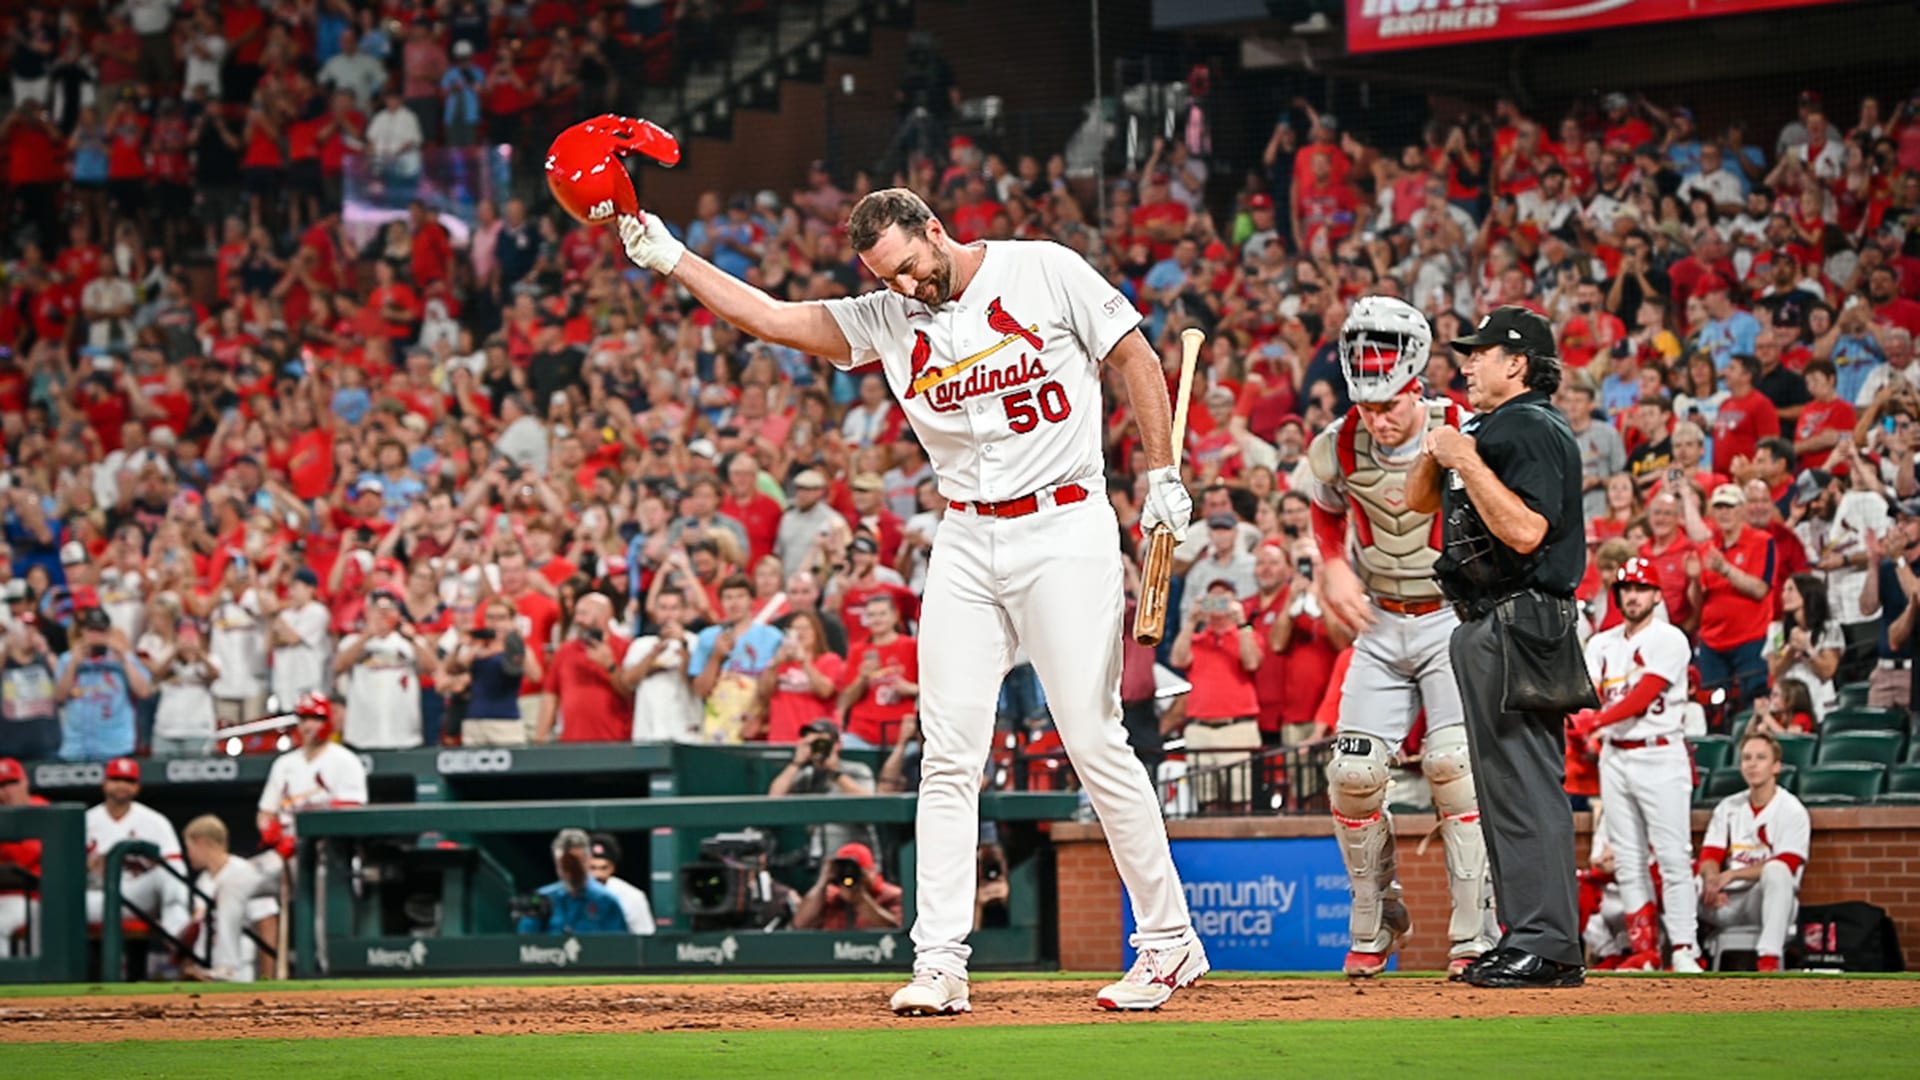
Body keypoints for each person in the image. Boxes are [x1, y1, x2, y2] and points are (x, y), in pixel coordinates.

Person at [619, 187, 1205, 1013]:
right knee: (947, 756)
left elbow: (1137, 357)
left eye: (907, 267)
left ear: (937, 231)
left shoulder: (1042, 269)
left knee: (1094, 740)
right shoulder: (888, 314)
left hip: (1064, 524)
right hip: (964, 538)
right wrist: (670, 256)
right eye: (882, 276)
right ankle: (940, 961)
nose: (902, 287)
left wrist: (1161, 474)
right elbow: (772, 318)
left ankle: (1170, 943)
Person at [1307, 296, 1495, 979]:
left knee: (1454, 768)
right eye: (1368, 405)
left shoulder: (1463, 430)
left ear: (1417, 385)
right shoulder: (1337, 442)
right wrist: (1331, 568)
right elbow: (1326, 516)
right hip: (1380, 619)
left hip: (1451, 614)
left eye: (1390, 404)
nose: (1379, 420)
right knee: (1353, 774)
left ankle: (1476, 931)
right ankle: (1375, 915)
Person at [1413, 305, 1591, 989]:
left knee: (1525, 786)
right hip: (1488, 621)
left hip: (1522, 621)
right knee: (1503, 789)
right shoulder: (1490, 426)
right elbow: (1413, 501)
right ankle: (1527, 937)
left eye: (1480, 353)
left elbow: (1524, 531)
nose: (1467, 363)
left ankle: (1547, 946)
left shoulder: (1533, 424)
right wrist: (1444, 447)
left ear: (1516, 363)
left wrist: (1462, 454)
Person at [1569, 560, 1703, 973]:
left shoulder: (1670, 638)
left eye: (1642, 588)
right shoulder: (1602, 643)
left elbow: (1644, 695)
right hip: (1615, 755)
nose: (1632, 595)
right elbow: (1585, 694)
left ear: (1658, 594)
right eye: (1626, 587)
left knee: (1672, 855)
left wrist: (1595, 721)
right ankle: (1644, 948)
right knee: (1626, 857)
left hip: (1660, 752)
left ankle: (1684, 947)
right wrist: (1581, 720)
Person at [1697, 731, 1810, 972]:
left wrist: (1732, 875)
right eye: (1747, 758)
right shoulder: (1728, 807)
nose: (1752, 764)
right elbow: (1709, 856)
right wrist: (1711, 882)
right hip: (1723, 902)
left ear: (1776, 766)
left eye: (1761, 757)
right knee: (1678, 872)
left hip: (1763, 902)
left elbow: (1788, 863)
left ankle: (1768, 959)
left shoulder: (1792, 810)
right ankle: (1683, 957)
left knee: (1777, 871)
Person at [1169, 579, 1262, 808]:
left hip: (1236, 728)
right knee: (1207, 801)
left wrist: (1241, 622)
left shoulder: (1247, 634)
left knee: (1242, 800)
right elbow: (1177, 659)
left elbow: (1251, 662)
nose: (1217, 605)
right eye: (1213, 599)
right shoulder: (1197, 640)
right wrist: (1191, 622)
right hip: (1200, 728)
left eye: (1223, 599)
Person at [83, 758, 191, 941]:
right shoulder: (85, 821)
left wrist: (156, 864)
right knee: (63, 904)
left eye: (128, 781)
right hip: (97, 898)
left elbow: (177, 869)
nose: (121, 786)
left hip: (138, 895)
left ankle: (179, 937)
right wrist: (85, 867)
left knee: (169, 876)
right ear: (104, 784)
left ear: (137, 787)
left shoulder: (155, 822)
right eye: (116, 779)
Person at [181, 814, 278, 982]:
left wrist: (267, 977)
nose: (188, 854)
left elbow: (267, 924)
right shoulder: (203, 880)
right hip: (206, 967)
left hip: (240, 970)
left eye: (188, 847)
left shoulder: (245, 873)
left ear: (201, 842)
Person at [55, 605, 152, 761]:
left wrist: (125, 661)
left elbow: (144, 692)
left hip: (114, 746)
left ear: (108, 633)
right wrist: (74, 665)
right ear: (83, 631)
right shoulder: (67, 659)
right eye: (91, 630)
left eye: (100, 631)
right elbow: (59, 697)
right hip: (76, 747)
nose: (95, 636)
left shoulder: (123, 658)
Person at [620, 588, 702, 744]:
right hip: (647, 730)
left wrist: (683, 645)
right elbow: (627, 683)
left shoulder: (695, 642)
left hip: (686, 730)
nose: (668, 614)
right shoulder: (641, 645)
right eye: (663, 608)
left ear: (684, 611)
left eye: (674, 608)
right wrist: (653, 655)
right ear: (656, 612)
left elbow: (695, 684)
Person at [517, 828, 626, 935]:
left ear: (587, 860)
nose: (569, 871)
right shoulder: (541, 899)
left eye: (574, 864)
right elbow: (525, 943)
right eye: (564, 865)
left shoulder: (607, 901)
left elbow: (619, 947)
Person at [792, 841, 904, 931]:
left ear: (872, 870)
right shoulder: (830, 895)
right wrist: (822, 883)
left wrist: (861, 900)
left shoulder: (893, 895)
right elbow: (800, 924)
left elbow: (898, 931)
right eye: (844, 869)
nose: (849, 874)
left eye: (855, 869)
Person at [587, 833, 655, 935]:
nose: (598, 874)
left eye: (603, 867)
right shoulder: (570, 893)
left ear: (612, 868)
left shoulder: (632, 896)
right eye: (592, 867)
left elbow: (645, 936)